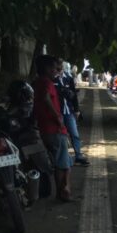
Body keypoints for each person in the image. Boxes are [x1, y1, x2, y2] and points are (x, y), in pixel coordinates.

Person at [33, 55, 73, 201]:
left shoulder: (36, 83)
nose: (56, 71)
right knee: (62, 163)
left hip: (44, 128)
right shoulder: (47, 83)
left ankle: (61, 191)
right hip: (54, 128)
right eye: (54, 68)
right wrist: (57, 117)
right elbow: (46, 98)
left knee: (60, 161)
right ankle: (62, 192)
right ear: (47, 68)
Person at [54, 58, 89, 166]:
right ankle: (63, 158)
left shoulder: (68, 78)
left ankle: (78, 155)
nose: (60, 68)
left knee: (74, 134)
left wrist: (77, 110)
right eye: (58, 66)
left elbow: (74, 96)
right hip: (57, 111)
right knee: (61, 136)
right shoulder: (52, 79)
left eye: (61, 65)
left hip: (69, 111)